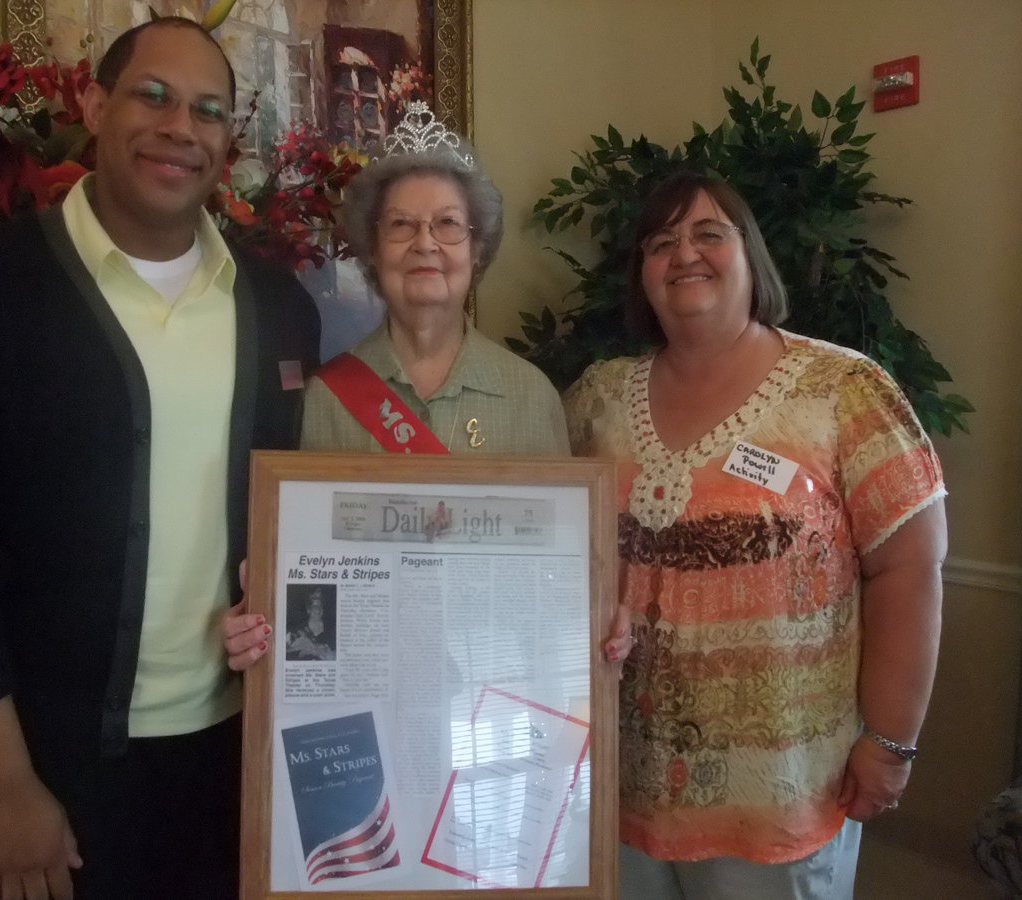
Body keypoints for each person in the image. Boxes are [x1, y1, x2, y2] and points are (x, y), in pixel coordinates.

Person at [0, 17, 318, 900]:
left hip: (238, 756)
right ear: (94, 102)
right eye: (153, 95)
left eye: (208, 110)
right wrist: (1, 784)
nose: (180, 126)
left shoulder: (279, 308)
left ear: (229, 139)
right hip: (57, 770)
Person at [564, 171, 947, 899]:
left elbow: (909, 566)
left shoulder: (842, 390)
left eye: (710, 233)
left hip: (783, 792)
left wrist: (891, 744)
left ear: (752, 257)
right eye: (660, 242)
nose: (685, 254)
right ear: (642, 275)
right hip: (618, 778)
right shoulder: (595, 399)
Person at [223, 101, 569, 670]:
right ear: (372, 248)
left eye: (448, 224)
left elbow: (559, 579)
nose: (425, 243)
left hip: (496, 691)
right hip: (365, 686)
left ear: (477, 249)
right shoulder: (325, 400)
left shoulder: (532, 397)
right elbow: (310, 588)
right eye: (401, 225)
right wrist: (264, 622)